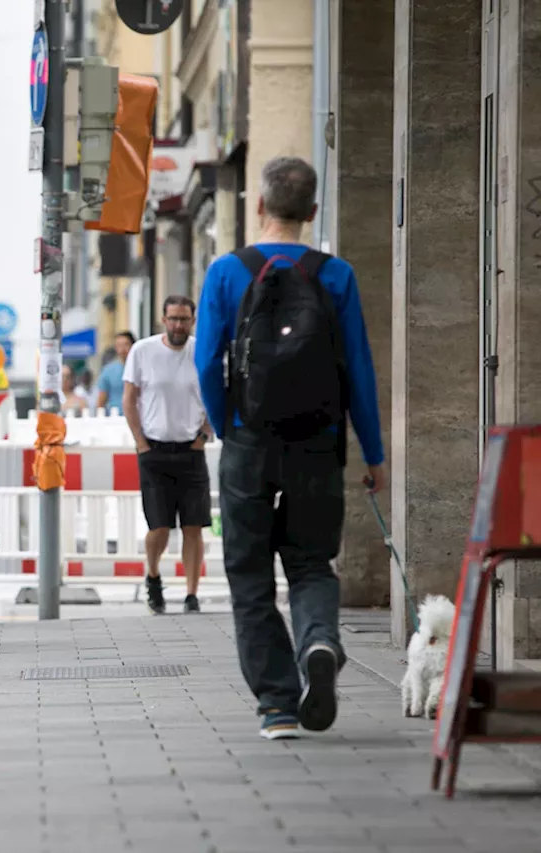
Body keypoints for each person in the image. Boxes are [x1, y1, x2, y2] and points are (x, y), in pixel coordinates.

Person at [194, 155, 385, 741]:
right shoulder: (337, 275)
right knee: (309, 563)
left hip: (250, 444)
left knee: (249, 574)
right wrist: (373, 453)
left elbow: (206, 362)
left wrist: (230, 428)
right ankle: (319, 641)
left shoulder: (228, 272)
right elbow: (358, 369)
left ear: (259, 206)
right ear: (313, 211)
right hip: (317, 445)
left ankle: (278, 705)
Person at [122, 296, 210, 617]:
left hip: (190, 449)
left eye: (184, 319)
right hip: (154, 450)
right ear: (163, 319)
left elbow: (216, 394)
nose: (178, 325)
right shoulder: (143, 351)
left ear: (193, 321)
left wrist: (204, 435)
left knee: (193, 526)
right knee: (159, 526)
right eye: (173, 319)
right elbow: (129, 399)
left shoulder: (201, 350)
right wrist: (140, 443)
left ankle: (191, 593)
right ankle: (154, 574)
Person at [96, 331, 136, 414]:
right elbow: (101, 399)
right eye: (119, 345)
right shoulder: (108, 371)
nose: (122, 349)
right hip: (115, 418)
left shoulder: (141, 369)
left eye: (126, 344)